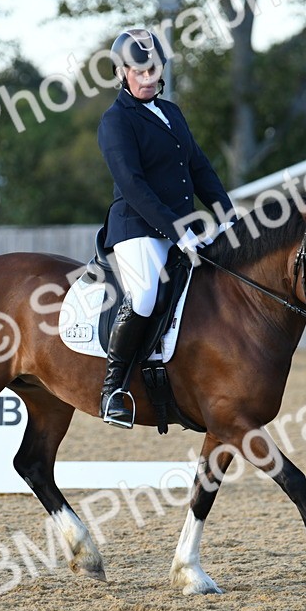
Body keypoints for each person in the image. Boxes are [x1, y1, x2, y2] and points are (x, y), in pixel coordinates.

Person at [96, 27, 236, 428]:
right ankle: (113, 390)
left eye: (153, 70)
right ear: (121, 72)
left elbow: (199, 166)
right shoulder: (116, 121)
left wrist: (227, 213)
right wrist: (179, 231)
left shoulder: (171, 112)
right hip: (136, 228)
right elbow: (133, 186)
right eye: (138, 72)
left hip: (180, 229)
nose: (147, 78)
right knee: (144, 295)